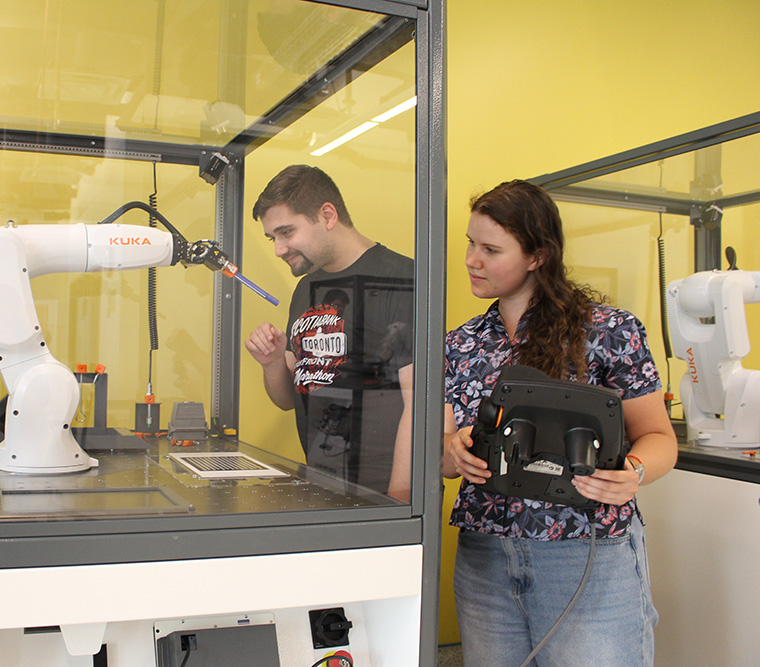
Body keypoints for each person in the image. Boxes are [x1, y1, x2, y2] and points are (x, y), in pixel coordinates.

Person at [444, 179, 677, 666]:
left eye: (491, 248)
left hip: (584, 554)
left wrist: (631, 473)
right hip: (486, 556)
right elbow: (442, 456)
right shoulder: (460, 344)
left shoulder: (610, 332)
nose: (472, 259)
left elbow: (659, 438)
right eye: (470, 243)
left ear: (537, 256)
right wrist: (454, 450)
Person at [245, 165, 414, 499]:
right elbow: (287, 400)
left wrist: (399, 506)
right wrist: (272, 362)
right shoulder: (307, 286)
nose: (278, 249)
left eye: (286, 232)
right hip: (324, 484)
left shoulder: (402, 279)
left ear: (327, 215)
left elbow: (420, 407)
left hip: (384, 494)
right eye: (272, 238)